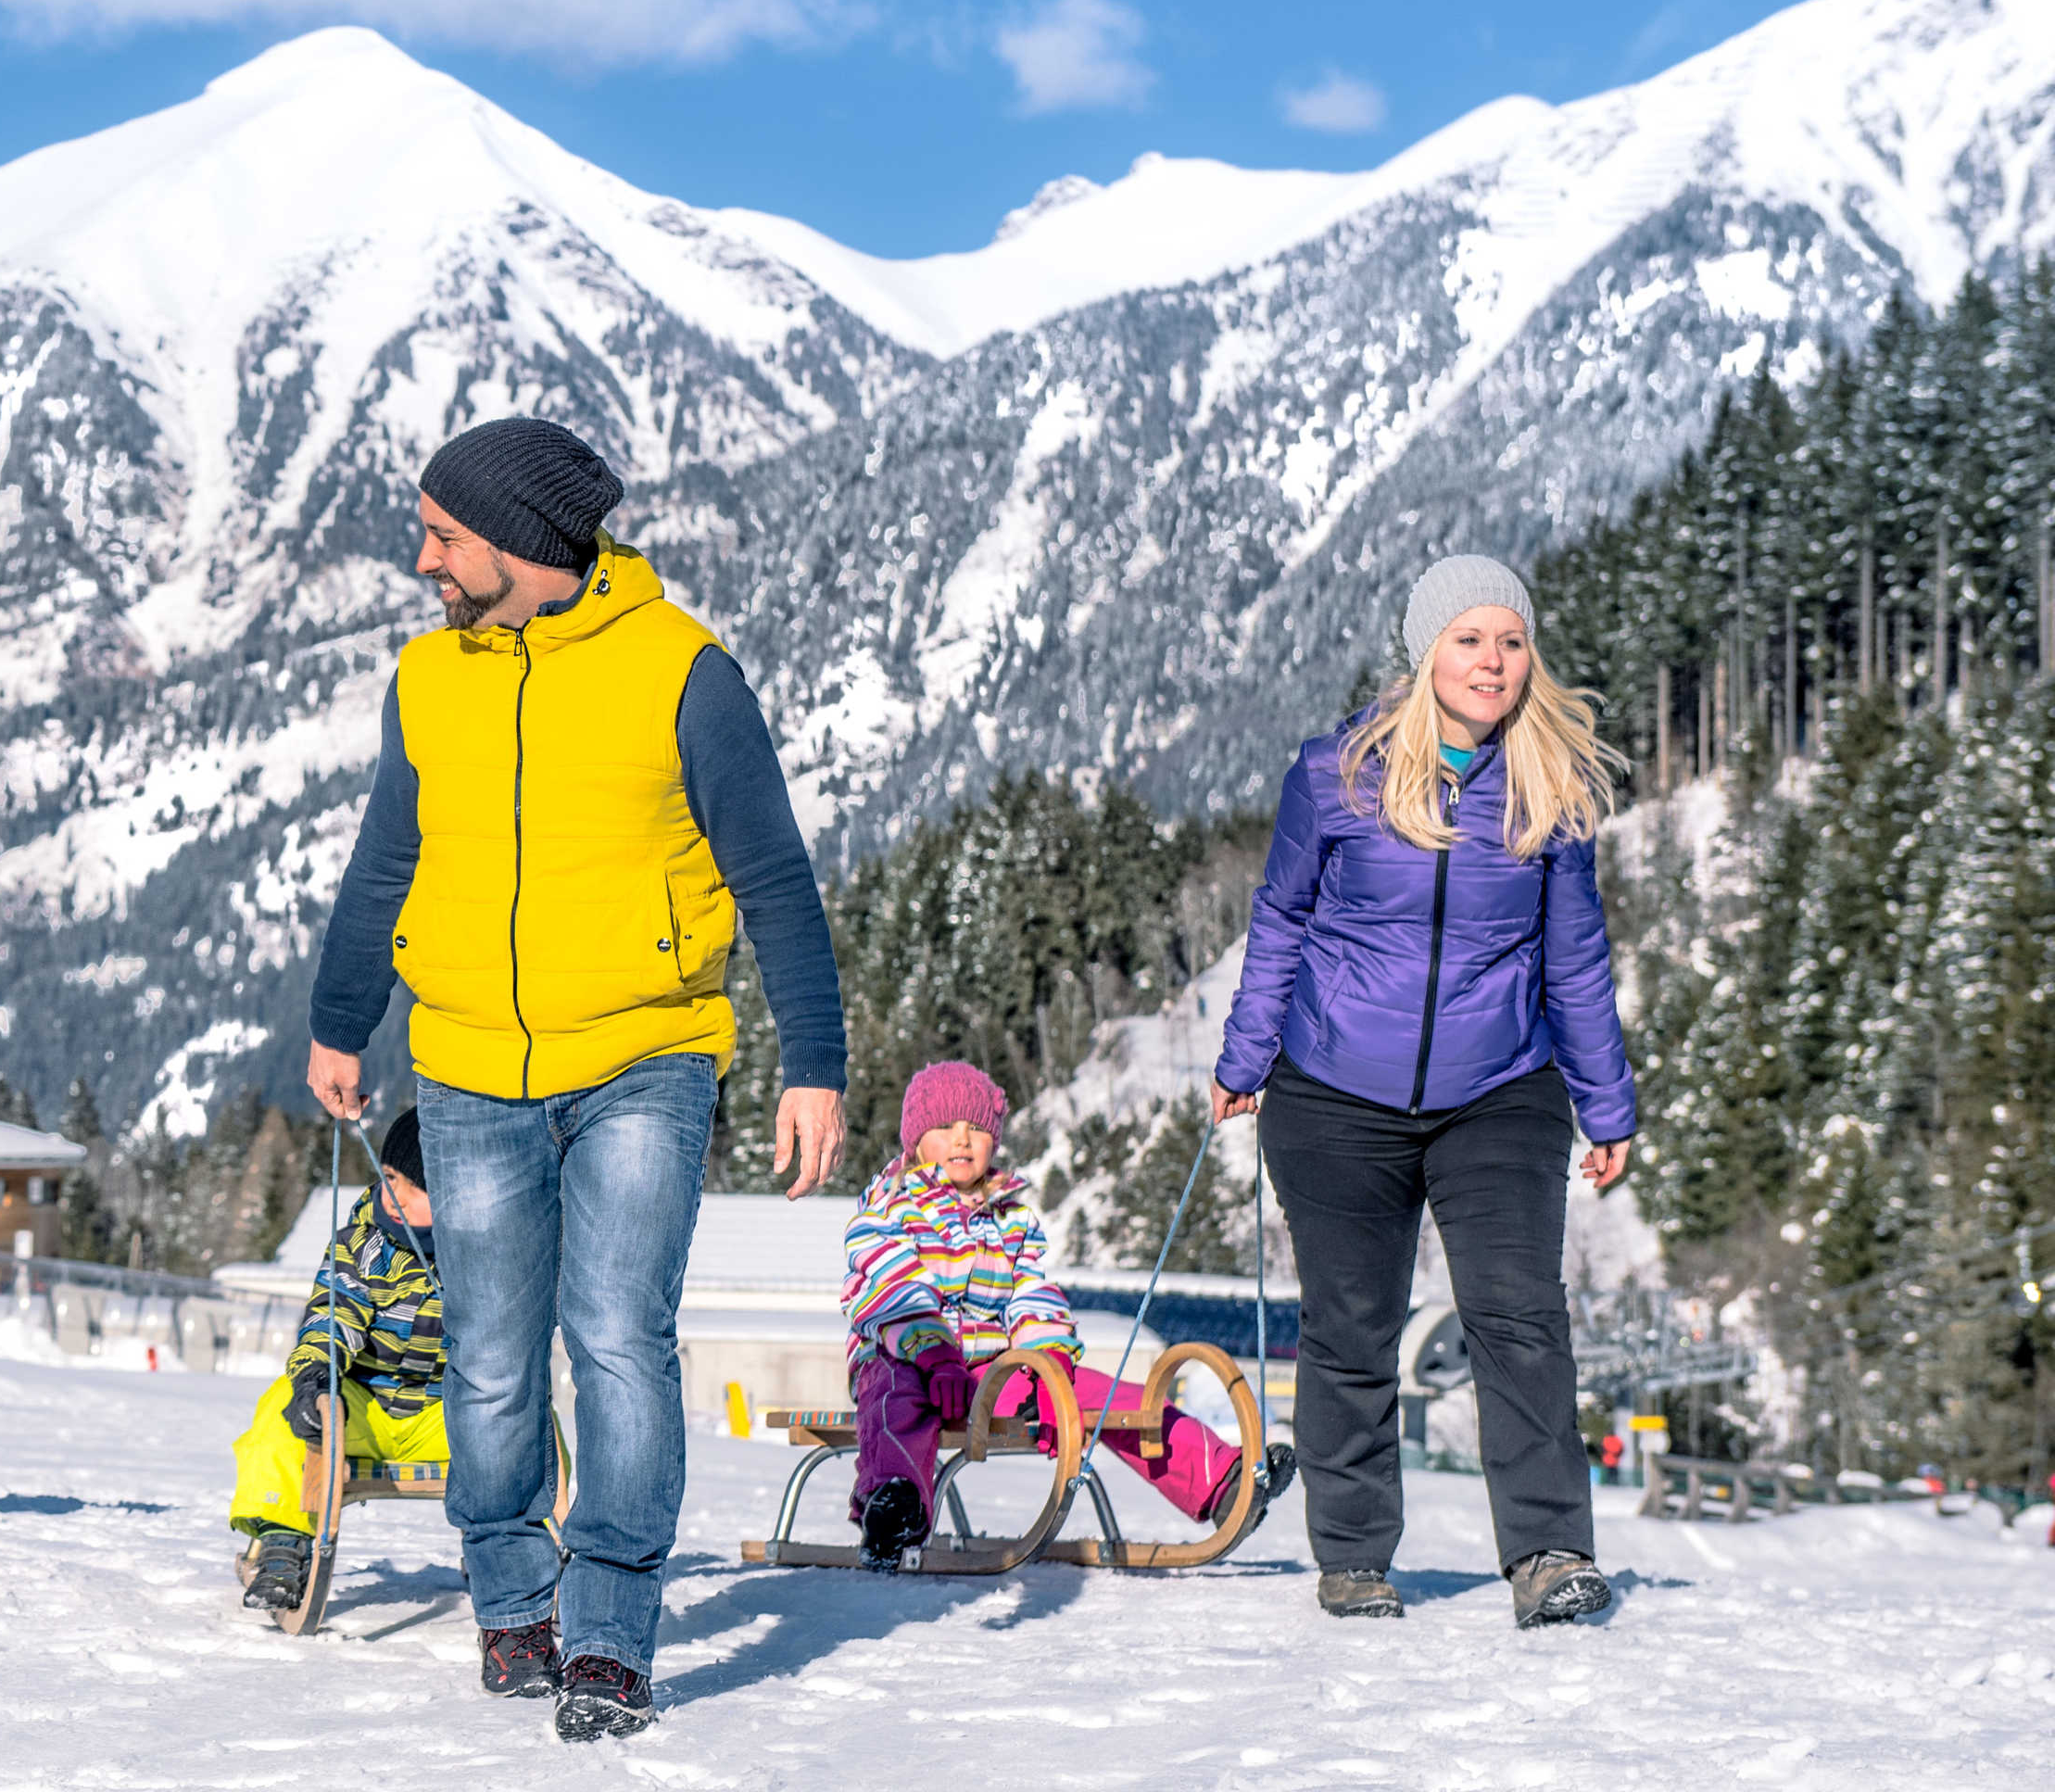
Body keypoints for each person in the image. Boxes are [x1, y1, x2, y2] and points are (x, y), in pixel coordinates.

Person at [308, 416, 848, 1744]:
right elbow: (386, 862)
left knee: (615, 1338)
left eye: (443, 536)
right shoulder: (428, 678)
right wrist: (339, 1020)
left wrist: (815, 1066)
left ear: (517, 541)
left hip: (642, 1058)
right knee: (491, 1357)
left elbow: (774, 877)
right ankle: (510, 1598)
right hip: (468, 1065)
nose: (423, 561)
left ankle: (608, 1628)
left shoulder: (683, 674)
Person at [1213, 555, 1634, 1630]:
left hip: (1499, 1089)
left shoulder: (1549, 788)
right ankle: (1353, 1558)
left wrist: (1605, 1102)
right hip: (1334, 1090)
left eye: (1510, 641)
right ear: (1423, 652)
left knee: (1518, 1319)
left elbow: (1573, 958)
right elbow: (1281, 918)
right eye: (1468, 639)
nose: (1491, 662)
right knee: (1350, 1326)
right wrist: (1243, 1058)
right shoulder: (1335, 773)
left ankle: (1548, 1553)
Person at [841, 1061, 1292, 1570]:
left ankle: (1222, 1482)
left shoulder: (1011, 1221)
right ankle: (894, 1508)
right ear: (915, 1139)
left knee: (1101, 1394)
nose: (962, 1139)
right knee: (894, 1401)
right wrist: (935, 1355)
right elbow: (895, 1290)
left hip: (990, 1372)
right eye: (946, 1127)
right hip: (906, 1358)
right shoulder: (887, 1210)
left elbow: (1032, 1294)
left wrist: (1047, 1360)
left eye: (977, 1129)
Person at [229, 1111, 448, 1611]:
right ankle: (284, 1540)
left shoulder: (489, 1259)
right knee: (284, 1409)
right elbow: (333, 1317)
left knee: (525, 1425)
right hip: (361, 1408)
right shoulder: (363, 1247)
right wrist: (315, 1378)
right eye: (391, 1178)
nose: (396, 1196)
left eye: (417, 1189)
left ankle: (525, 1546)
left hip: (446, 1414)